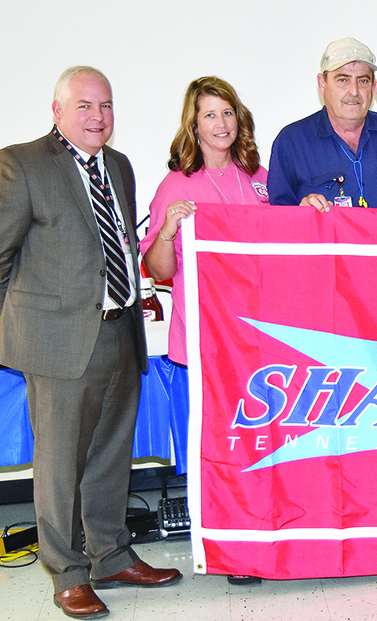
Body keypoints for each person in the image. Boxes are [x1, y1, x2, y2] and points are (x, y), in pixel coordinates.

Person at [0, 66, 181, 619]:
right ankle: (67, 571)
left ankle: (110, 556)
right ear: (58, 110)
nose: (98, 116)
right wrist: (32, 317)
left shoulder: (120, 165)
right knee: (60, 463)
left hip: (120, 330)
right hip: (57, 344)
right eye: (85, 105)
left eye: (106, 106)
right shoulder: (20, 164)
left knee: (111, 456)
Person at [138, 77, 269, 586]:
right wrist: (168, 228)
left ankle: (258, 533)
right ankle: (225, 547)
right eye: (210, 115)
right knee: (215, 445)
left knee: (257, 442)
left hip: (258, 338)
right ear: (194, 124)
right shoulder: (176, 184)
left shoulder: (259, 175)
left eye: (228, 112)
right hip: (205, 340)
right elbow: (159, 266)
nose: (221, 123)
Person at [268, 37, 377, 211]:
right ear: (322, 84)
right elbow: (279, 222)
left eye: (363, 80)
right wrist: (301, 214)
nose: (354, 91)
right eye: (342, 80)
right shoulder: (292, 142)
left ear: (373, 86)